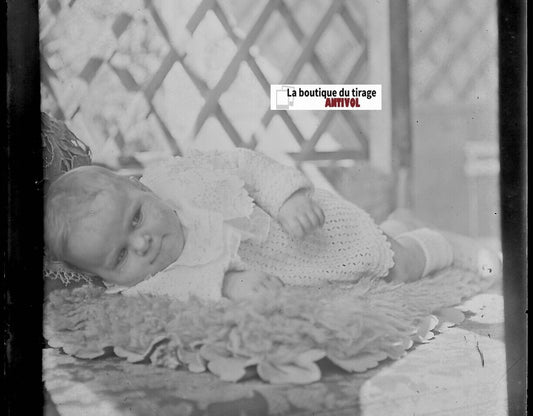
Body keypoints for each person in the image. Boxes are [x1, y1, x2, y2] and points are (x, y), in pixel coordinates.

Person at [44, 148, 500, 302]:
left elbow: (245, 165)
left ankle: (443, 242)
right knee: (376, 265)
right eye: (120, 255)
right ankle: (399, 223)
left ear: (139, 186)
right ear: (103, 277)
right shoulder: (142, 287)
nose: (141, 244)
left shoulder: (177, 179)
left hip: (304, 238)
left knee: (392, 264)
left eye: (136, 218)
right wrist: (227, 288)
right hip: (290, 283)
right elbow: (186, 292)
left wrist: (287, 198)